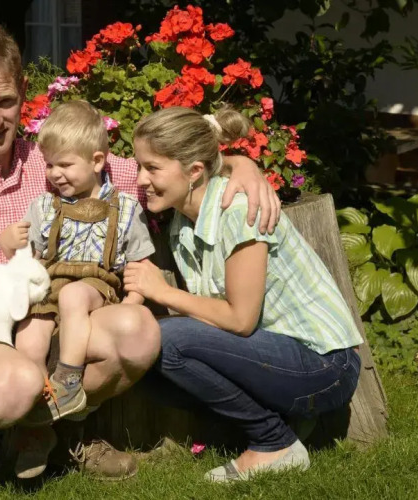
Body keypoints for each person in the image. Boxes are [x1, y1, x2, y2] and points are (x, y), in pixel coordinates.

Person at [0, 25, 280, 497]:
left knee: (139, 333)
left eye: (6, 102)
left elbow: (159, 170)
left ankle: (55, 428)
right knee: (16, 381)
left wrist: (238, 165)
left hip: (48, 324)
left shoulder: (58, 161)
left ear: (24, 92)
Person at [123, 105, 362, 482]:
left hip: (326, 367)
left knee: (164, 338)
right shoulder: (182, 221)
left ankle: (274, 443)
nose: (141, 179)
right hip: (275, 354)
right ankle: (280, 423)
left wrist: (162, 292)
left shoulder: (237, 210)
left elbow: (240, 319)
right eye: (140, 165)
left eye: (152, 168)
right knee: (142, 356)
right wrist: (241, 162)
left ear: (194, 171)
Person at [0, 100, 154, 477]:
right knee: (29, 340)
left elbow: (139, 264)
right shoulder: (44, 207)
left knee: (73, 295)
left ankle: (68, 380)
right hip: (49, 284)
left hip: (96, 286)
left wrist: (133, 301)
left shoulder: (125, 208)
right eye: (49, 164)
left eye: (65, 165)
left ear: (97, 161)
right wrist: (8, 244)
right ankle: (35, 428)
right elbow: (29, 259)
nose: (55, 173)